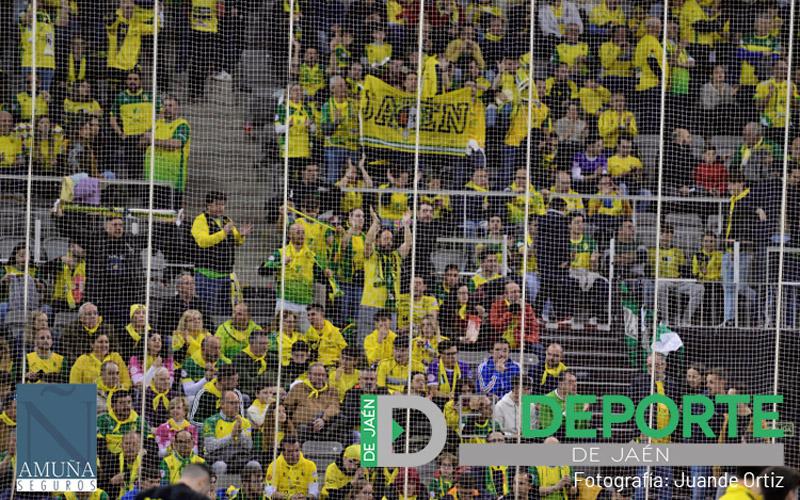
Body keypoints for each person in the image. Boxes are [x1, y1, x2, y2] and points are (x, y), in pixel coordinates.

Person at [191, 191, 253, 316]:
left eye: (223, 205)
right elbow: (202, 241)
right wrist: (223, 233)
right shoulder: (201, 220)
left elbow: (236, 241)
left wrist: (241, 235)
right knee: (206, 312)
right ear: (208, 205)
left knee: (227, 312)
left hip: (225, 275)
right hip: (206, 275)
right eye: (217, 204)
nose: (220, 208)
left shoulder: (226, 220)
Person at [359, 207, 412, 342]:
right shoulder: (371, 255)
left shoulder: (396, 256)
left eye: (390, 239)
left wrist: (406, 225)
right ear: (379, 240)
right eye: (385, 238)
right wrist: (375, 224)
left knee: (389, 341)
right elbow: (367, 241)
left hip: (391, 305)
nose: (388, 241)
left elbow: (408, 244)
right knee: (366, 340)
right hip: (370, 304)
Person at [284, 362, 341, 441]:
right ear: (309, 375)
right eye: (316, 375)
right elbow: (287, 409)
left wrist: (323, 419)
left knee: (341, 419)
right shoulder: (298, 388)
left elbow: (335, 407)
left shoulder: (332, 390)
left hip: (326, 426)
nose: (320, 378)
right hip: (303, 427)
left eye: (322, 375)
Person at [202, 390, 253, 475]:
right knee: (220, 466)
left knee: (253, 465)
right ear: (222, 404)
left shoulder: (245, 422)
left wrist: (240, 433)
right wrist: (231, 437)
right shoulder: (210, 421)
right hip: (216, 457)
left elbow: (248, 447)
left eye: (238, 403)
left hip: (238, 458)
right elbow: (210, 446)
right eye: (232, 403)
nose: (236, 406)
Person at [135, 462, 214, 499]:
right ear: (201, 482)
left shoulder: (146, 494)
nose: (204, 493)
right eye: (205, 491)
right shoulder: (198, 499)